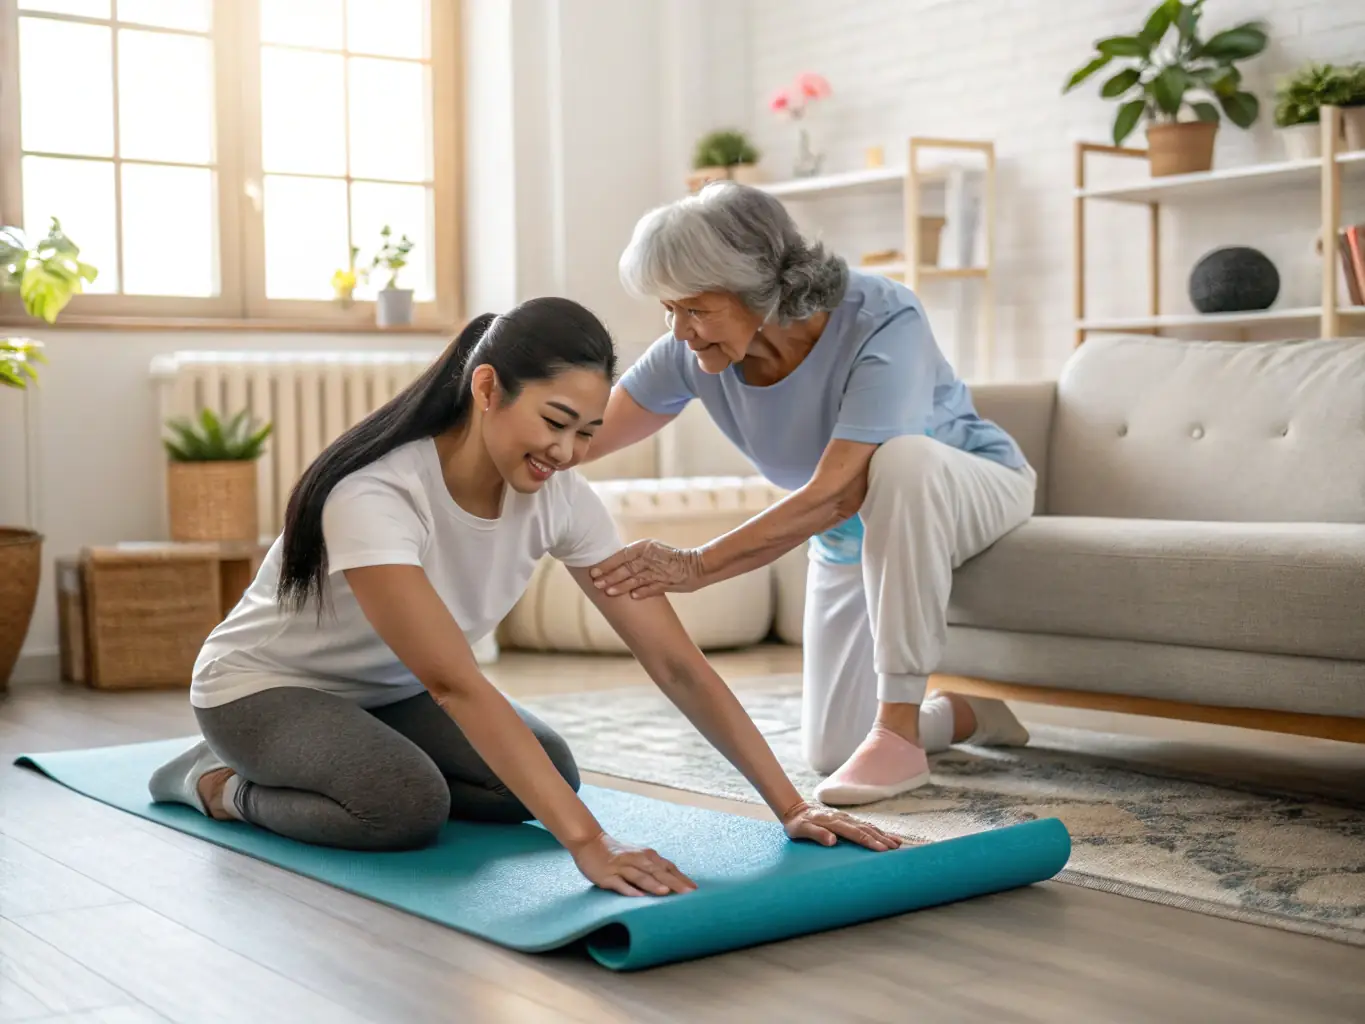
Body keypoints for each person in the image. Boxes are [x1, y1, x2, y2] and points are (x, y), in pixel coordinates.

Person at [148, 296, 900, 898]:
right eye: (554, 422)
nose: (567, 453)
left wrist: (790, 804)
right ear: (486, 389)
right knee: (401, 805)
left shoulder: (561, 500)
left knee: (542, 773)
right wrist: (588, 840)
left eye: (588, 432)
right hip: (264, 688)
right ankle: (212, 782)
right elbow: (454, 682)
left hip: (384, 692)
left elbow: (673, 662)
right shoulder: (376, 493)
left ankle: (338, 756)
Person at [583, 182, 1036, 808]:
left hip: (973, 488)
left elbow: (837, 490)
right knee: (830, 749)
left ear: (757, 287)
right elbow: (584, 436)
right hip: (850, 534)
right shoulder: (691, 353)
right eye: (670, 310)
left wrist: (696, 565)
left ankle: (900, 733)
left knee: (898, 461)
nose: (680, 330)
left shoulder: (882, 317)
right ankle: (967, 716)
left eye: (696, 309)